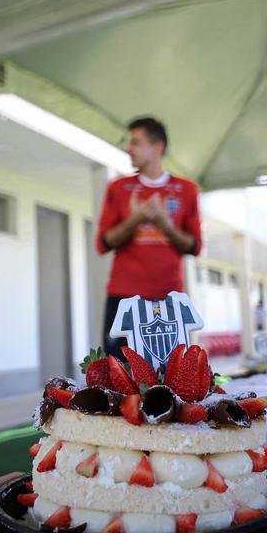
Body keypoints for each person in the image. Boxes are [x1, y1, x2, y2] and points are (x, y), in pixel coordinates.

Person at [96, 117, 201, 356]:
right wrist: (136, 219)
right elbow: (103, 244)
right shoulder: (118, 188)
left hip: (168, 297)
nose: (128, 149)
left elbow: (194, 246)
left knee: (168, 379)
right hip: (123, 298)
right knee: (118, 378)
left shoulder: (187, 190)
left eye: (135, 142)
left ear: (157, 147)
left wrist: (163, 224)